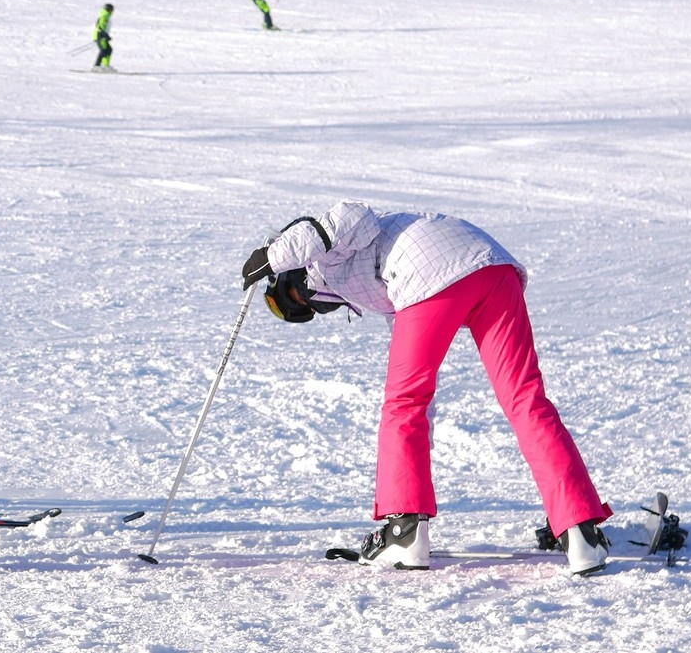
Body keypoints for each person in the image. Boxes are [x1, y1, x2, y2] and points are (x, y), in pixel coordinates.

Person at [241, 201, 613, 575]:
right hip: (492, 269)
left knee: (404, 405)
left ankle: (404, 533)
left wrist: (271, 256)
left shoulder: (325, 252)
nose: (303, 302)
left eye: (291, 296)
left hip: (435, 275)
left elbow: (351, 216)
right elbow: (420, 389)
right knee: (524, 400)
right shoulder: (373, 287)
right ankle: (579, 531)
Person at [92, 3, 114, 71]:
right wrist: (105, 35)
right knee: (104, 50)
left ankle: (105, 65)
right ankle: (96, 65)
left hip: (102, 35)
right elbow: (101, 26)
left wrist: (106, 35)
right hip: (100, 35)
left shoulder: (105, 16)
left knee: (108, 49)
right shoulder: (105, 16)